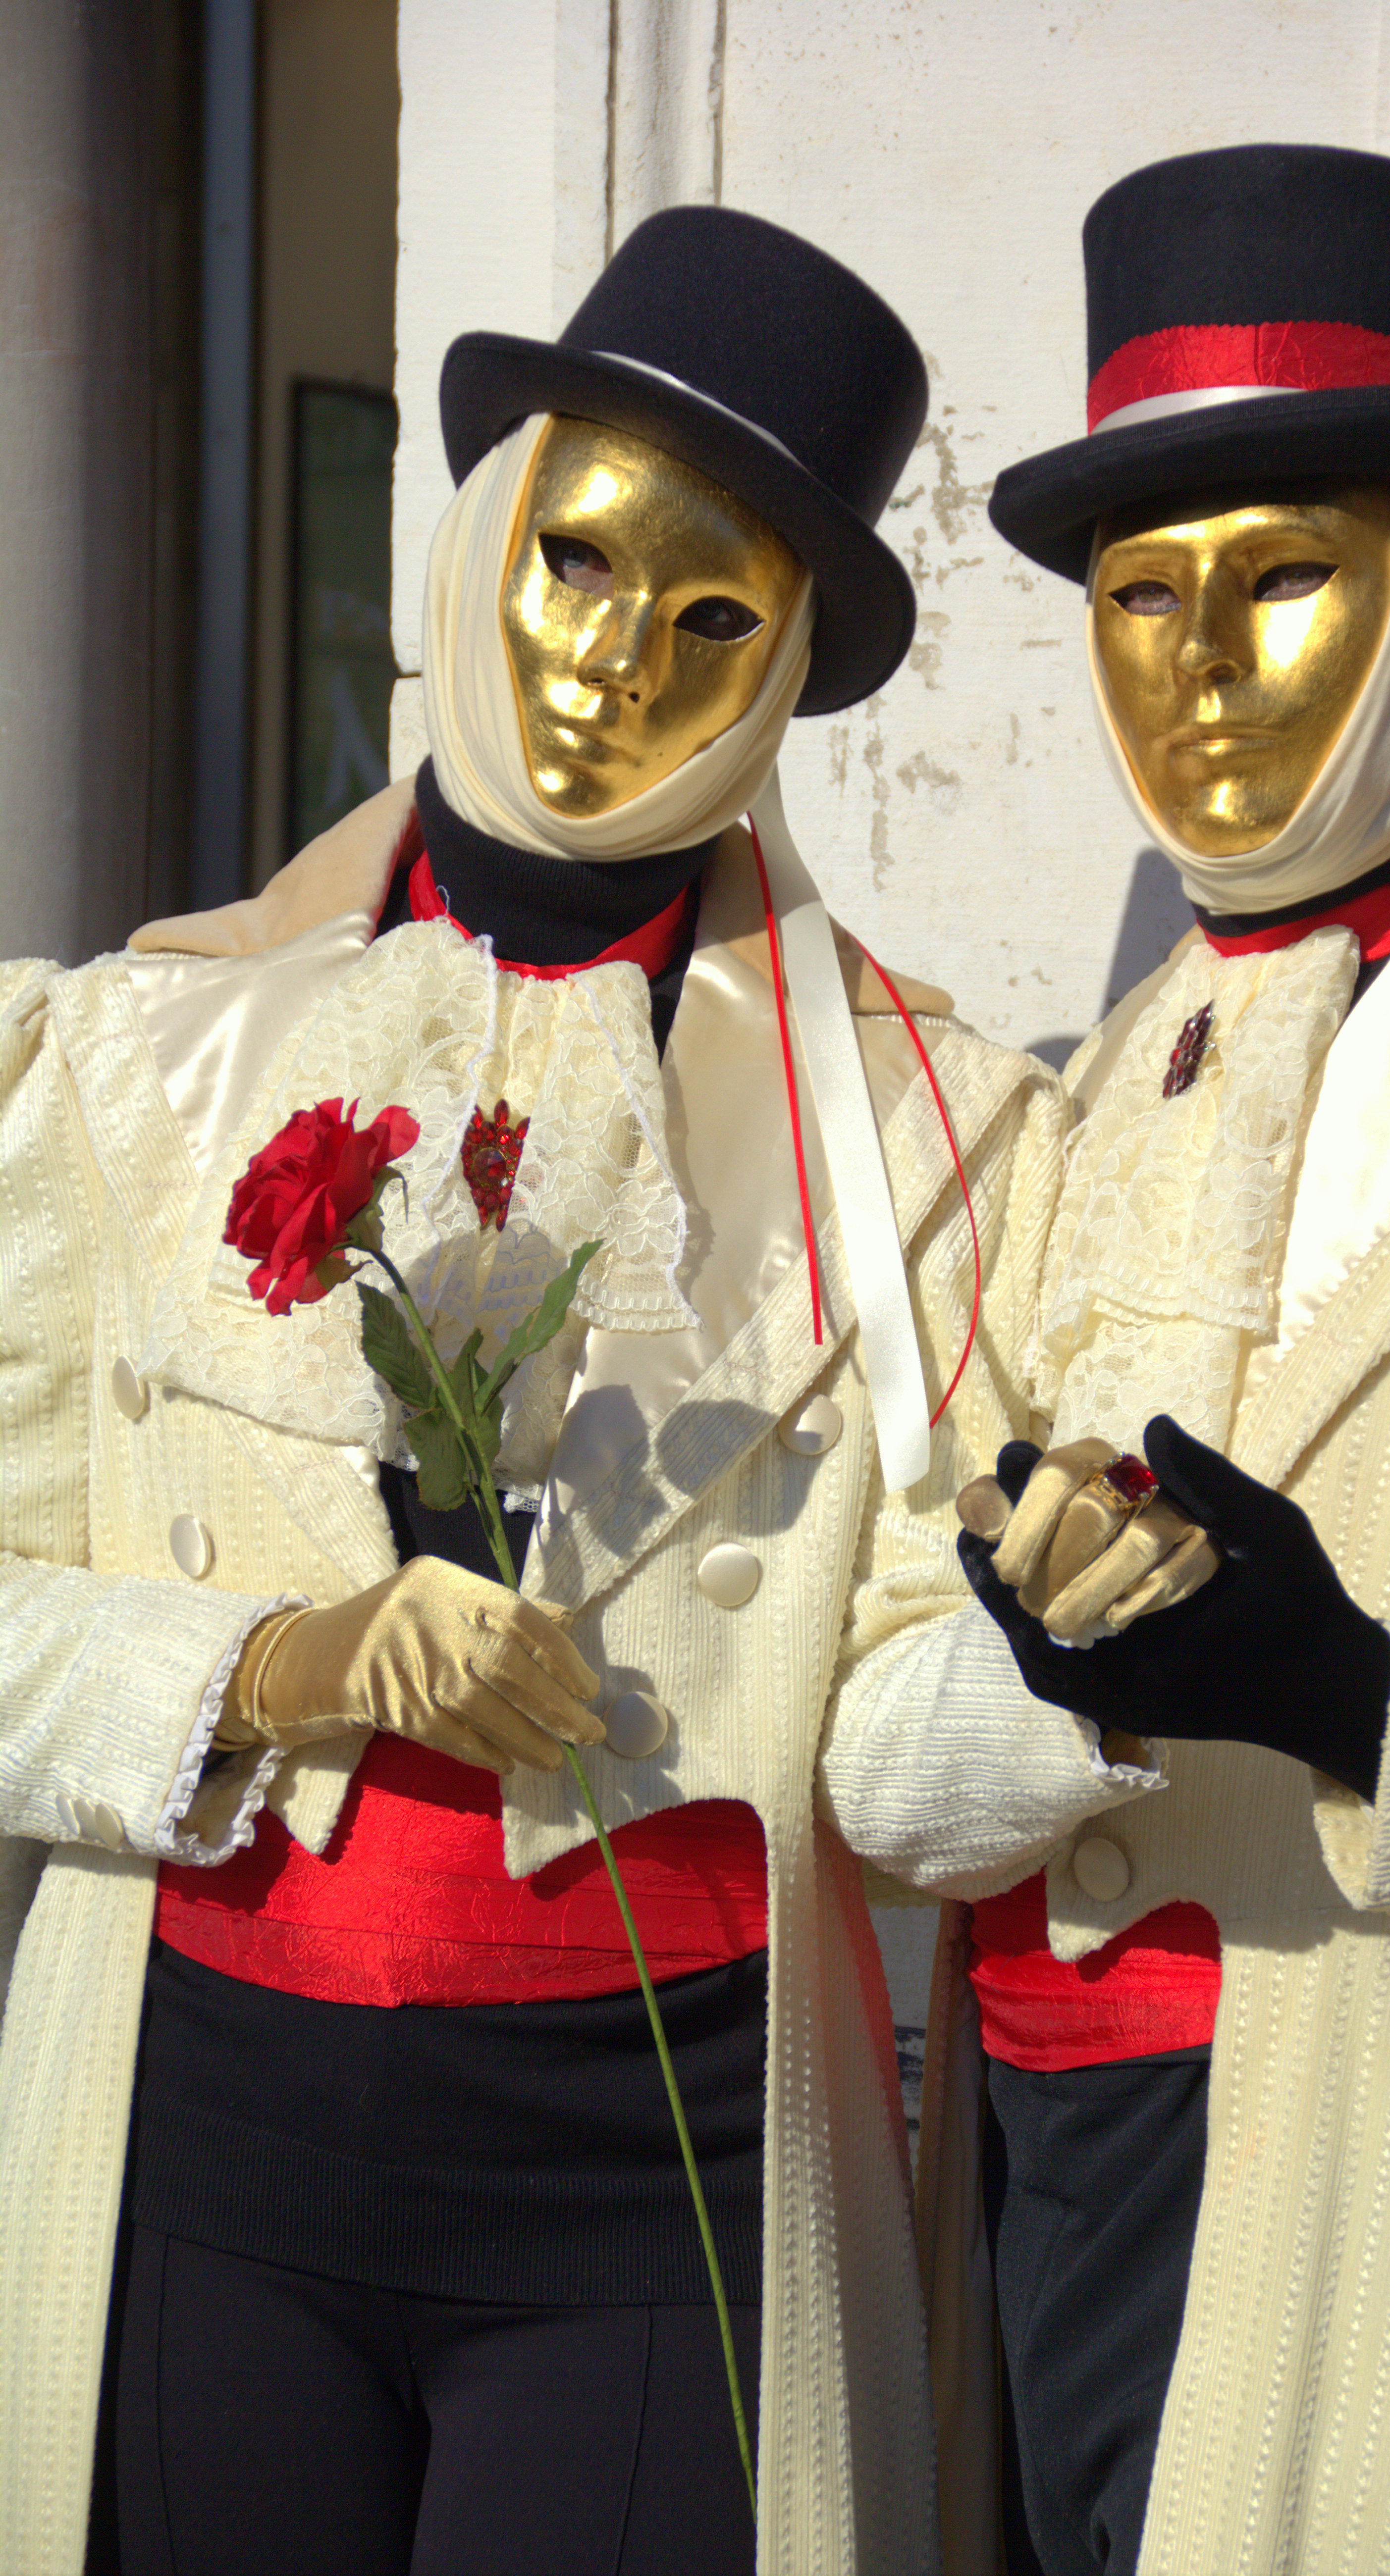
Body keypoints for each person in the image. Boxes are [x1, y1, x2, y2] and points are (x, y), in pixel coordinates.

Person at [0, 206, 1063, 2576]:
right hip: (205, 2129)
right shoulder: (135, 1051)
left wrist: (1073, 1650)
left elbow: (912, 1730)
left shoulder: (931, 1137)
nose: (609, 660)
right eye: (578, 557)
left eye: (711, 619)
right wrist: (275, 1663)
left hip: (655, 2163)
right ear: (483, 530)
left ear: (790, 667)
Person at [824, 145, 1390, 2576]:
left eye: (1285, 572)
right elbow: (887, 1750)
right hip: (1061, 2199)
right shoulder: (1099, 1091)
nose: (1195, 664)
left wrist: (1360, 1701)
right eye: (1138, 593)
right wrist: (1073, 1674)